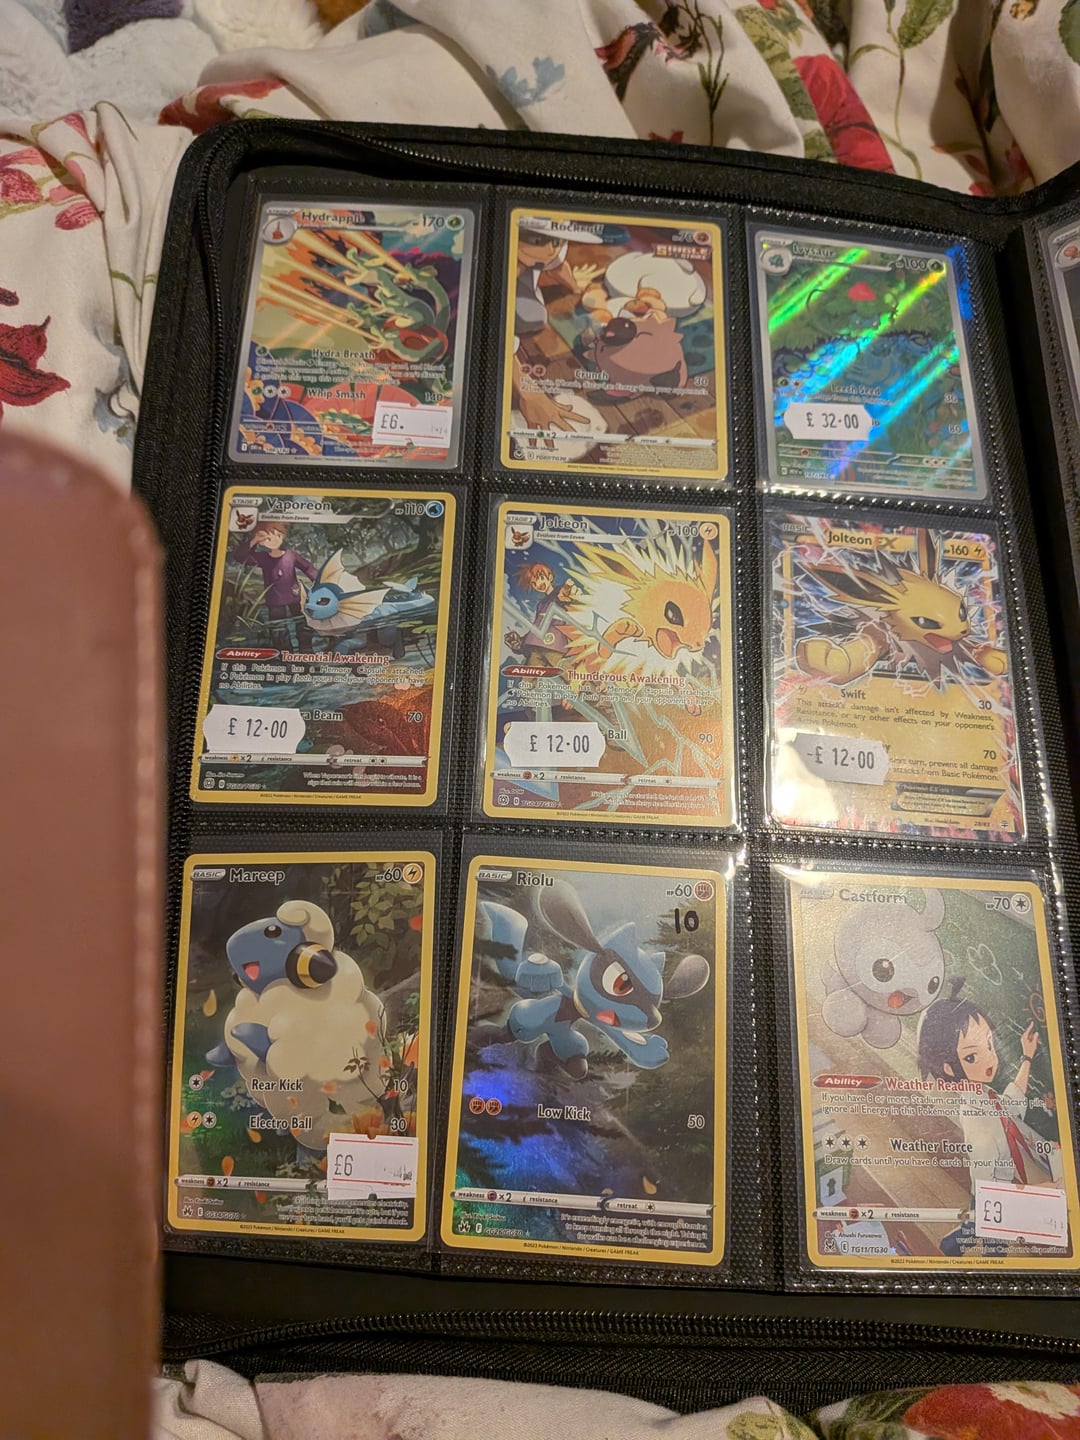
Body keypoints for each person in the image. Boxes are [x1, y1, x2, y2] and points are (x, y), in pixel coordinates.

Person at [916, 977, 1060, 1192]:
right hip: (998, 1202)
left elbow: (1010, 1104)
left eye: (989, 1044)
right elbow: (985, 1190)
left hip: (1010, 1189)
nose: (990, 1059)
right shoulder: (979, 1128)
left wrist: (1027, 1057)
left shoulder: (982, 1094)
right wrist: (1038, 1191)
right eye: (972, 1057)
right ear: (948, 1068)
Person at [232, 520, 316, 649]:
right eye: (268, 538)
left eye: (278, 535)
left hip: (296, 598)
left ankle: (306, 651)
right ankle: (284, 654)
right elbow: (239, 556)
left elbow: (308, 568)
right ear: (262, 542)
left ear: (283, 536)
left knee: (302, 625)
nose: (274, 540)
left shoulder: (291, 555)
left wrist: (320, 583)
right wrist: (254, 540)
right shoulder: (262, 557)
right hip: (275, 601)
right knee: (278, 629)